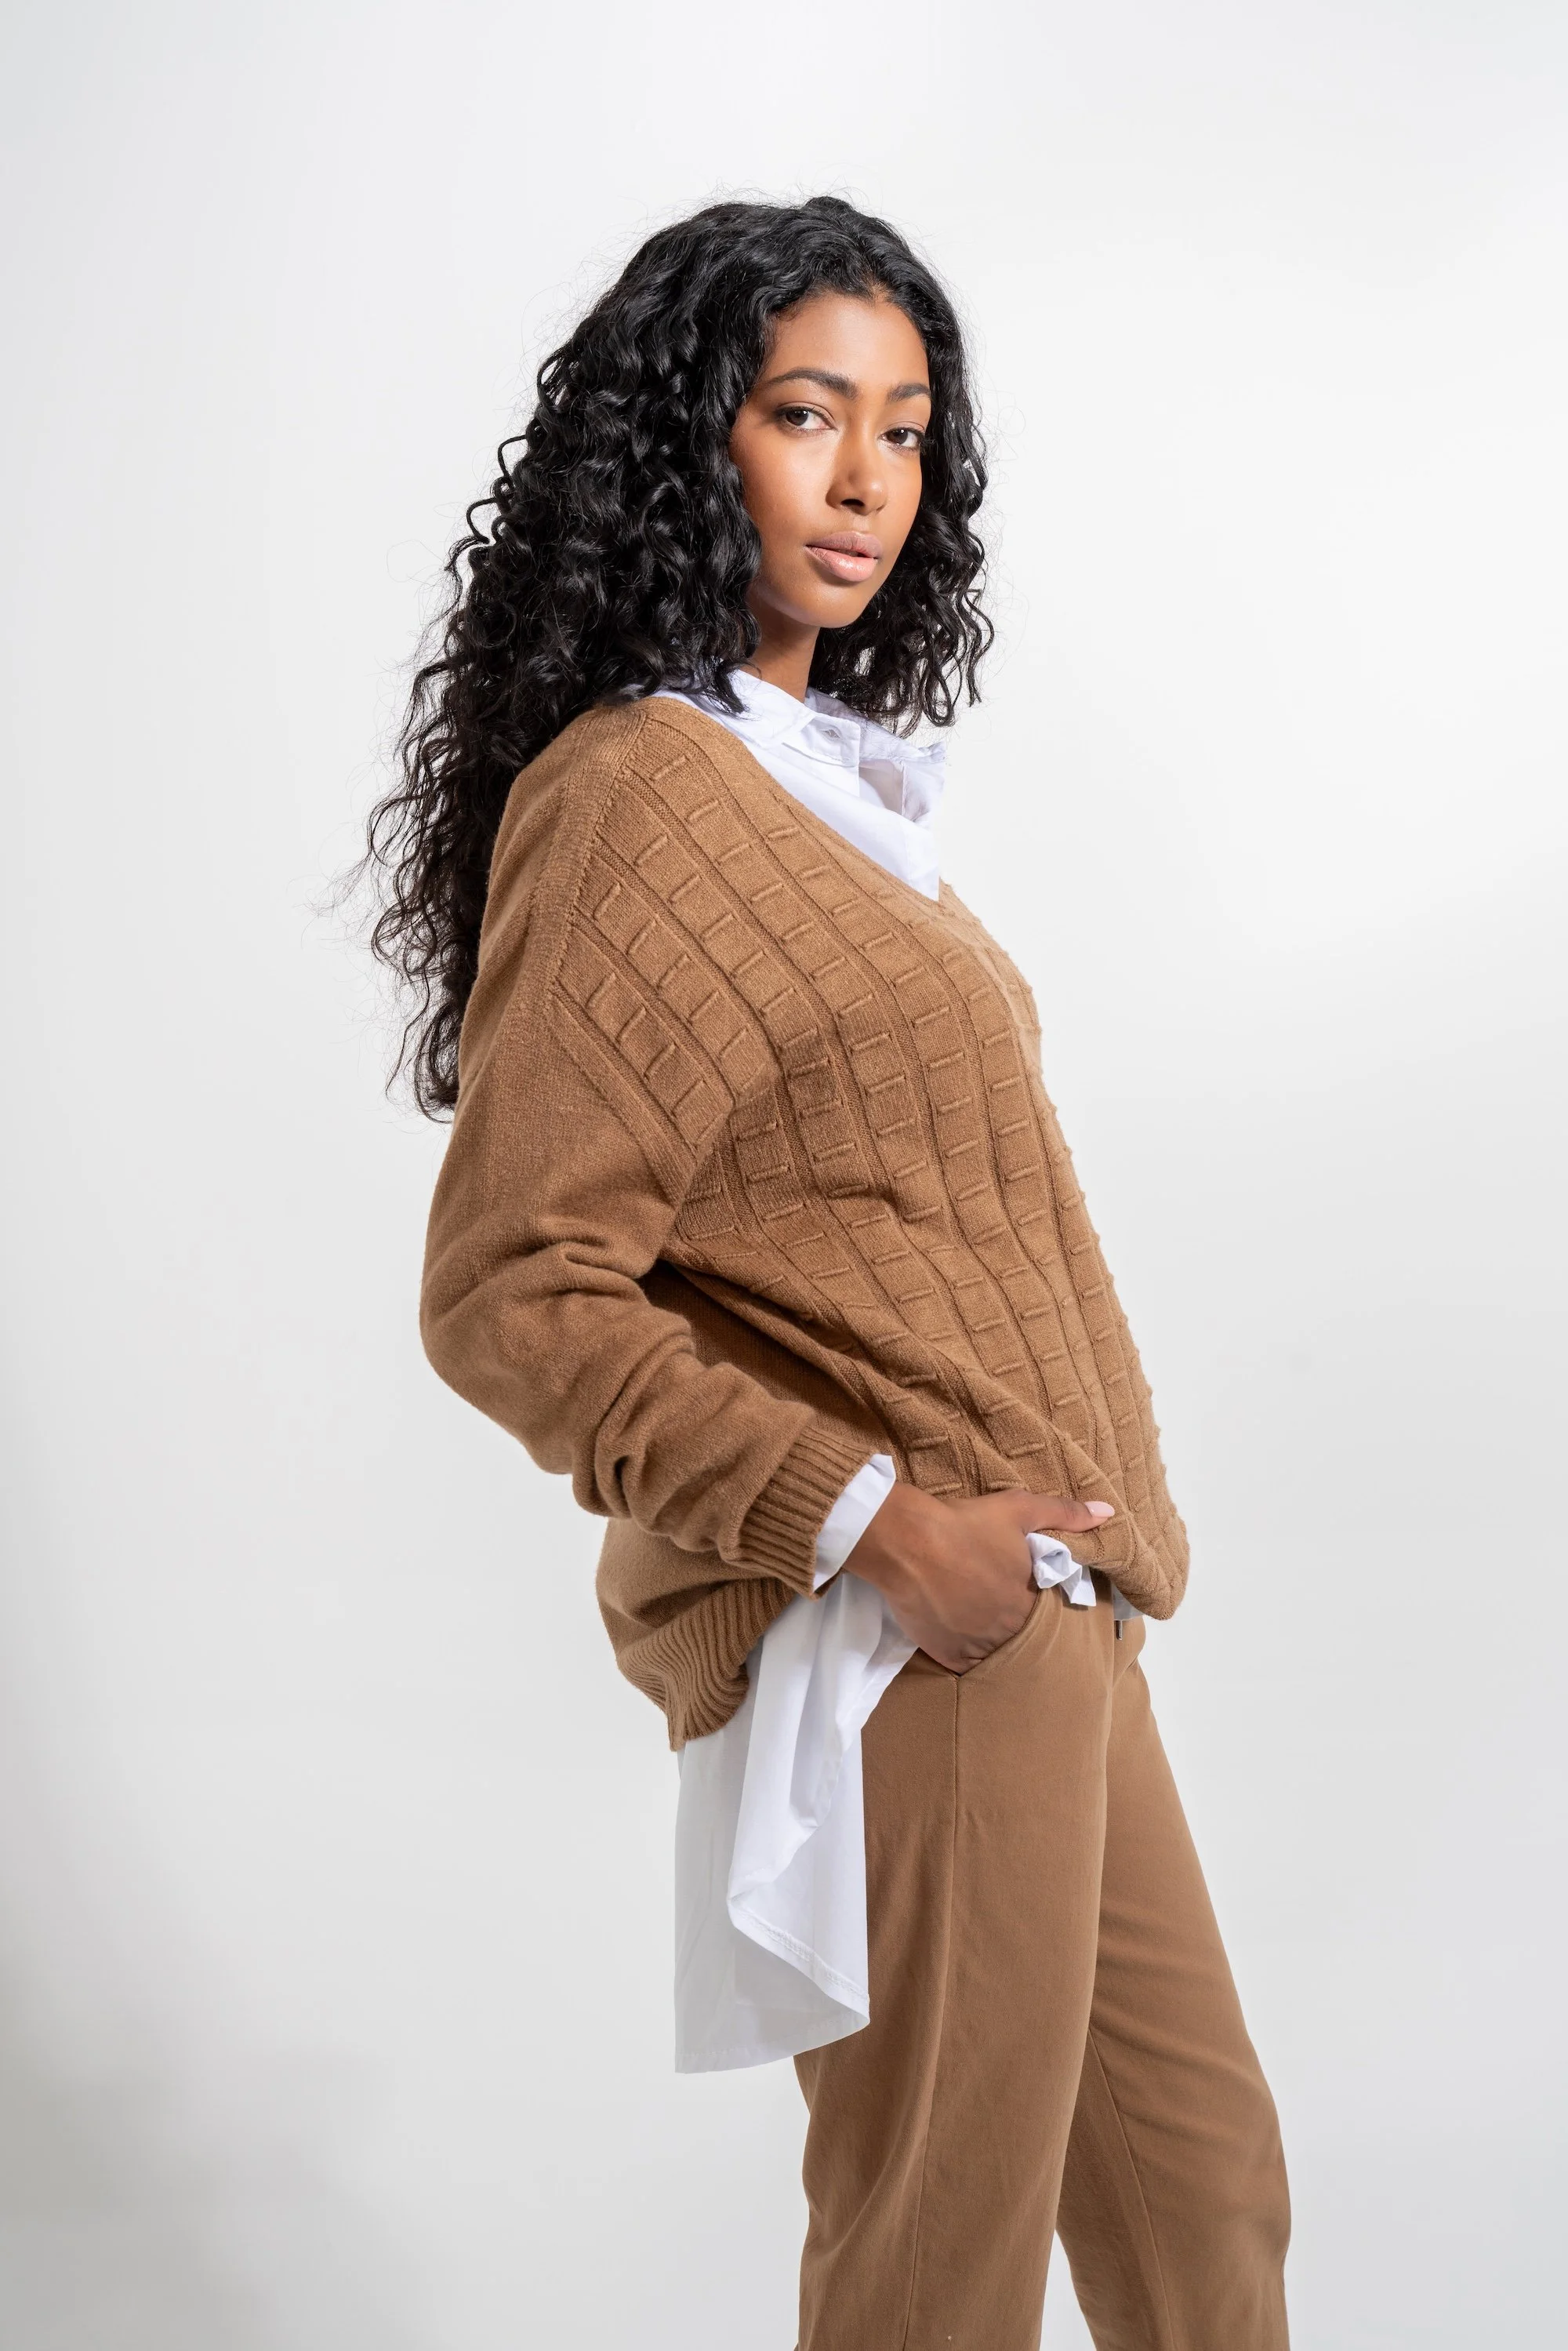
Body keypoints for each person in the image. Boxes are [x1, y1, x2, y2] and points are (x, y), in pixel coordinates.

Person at [362, 194, 1290, 2351]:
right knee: (935, 2263)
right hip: (909, 1627)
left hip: (1049, 1611)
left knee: (1203, 2190)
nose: (863, 478)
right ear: (695, 442)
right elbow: (513, 1284)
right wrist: (876, 1522)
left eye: (901, 428)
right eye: (803, 416)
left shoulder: (834, 794)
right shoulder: (639, 798)